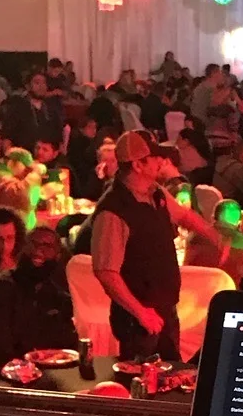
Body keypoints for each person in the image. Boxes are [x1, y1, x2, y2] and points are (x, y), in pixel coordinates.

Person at [90, 132, 212, 360]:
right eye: (155, 157)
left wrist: (215, 237)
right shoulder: (113, 210)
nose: (162, 161)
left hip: (165, 309)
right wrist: (141, 313)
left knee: (171, 373)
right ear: (138, 165)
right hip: (137, 319)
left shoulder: (155, 192)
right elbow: (106, 272)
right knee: (141, 377)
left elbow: (183, 215)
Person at [0, 226, 80, 363]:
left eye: (47, 246)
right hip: (6, 371)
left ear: (58, 255)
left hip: (51, 370)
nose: (38, 251)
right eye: (33, 243)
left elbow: (68, 344)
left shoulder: (59, 297)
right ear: (22, 248)